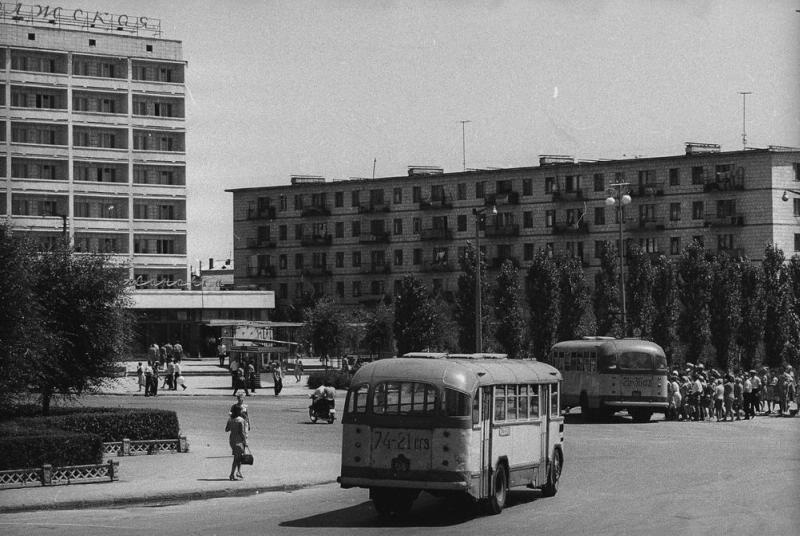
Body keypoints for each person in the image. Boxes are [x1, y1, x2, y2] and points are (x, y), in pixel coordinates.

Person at [226, 404, 248, 481]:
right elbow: (242, 432)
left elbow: (227, 429)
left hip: (232, 440)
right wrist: (245, 441)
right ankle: (232, 474)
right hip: (239, 441)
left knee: (238, 456)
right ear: (239, 411)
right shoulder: (241, 420)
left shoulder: (230, 419)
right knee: (236, 458)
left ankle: (238, 472)